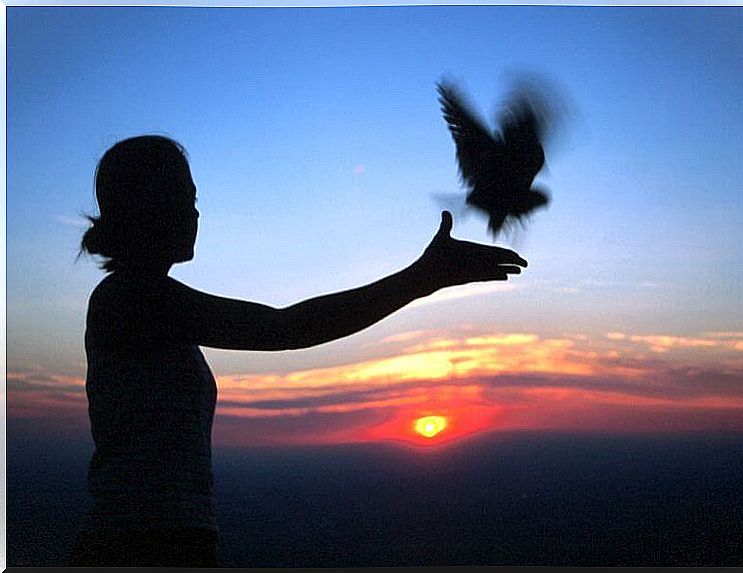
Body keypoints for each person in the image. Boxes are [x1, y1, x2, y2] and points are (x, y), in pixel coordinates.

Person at [68, 135, 528, 567]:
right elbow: (284, 327)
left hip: (163, 542)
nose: (195, 214)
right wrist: (420, 279)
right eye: (182, 199)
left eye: (193, 199)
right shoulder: (131, 299)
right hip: (139, 546)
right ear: (145, 207)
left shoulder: (144, 299)